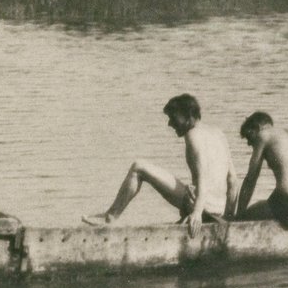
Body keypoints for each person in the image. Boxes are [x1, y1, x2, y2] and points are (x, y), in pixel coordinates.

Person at [82, 93, 237, 235]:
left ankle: (111, 216)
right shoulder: (218, 133)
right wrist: (229, 219)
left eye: (173, 118)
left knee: (138, 167)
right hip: (218, 209)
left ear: (188, 116)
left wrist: (196, 213)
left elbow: (203, 178)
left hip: (203, 207)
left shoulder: (193, 135)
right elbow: (233, 181)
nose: (170, 124)